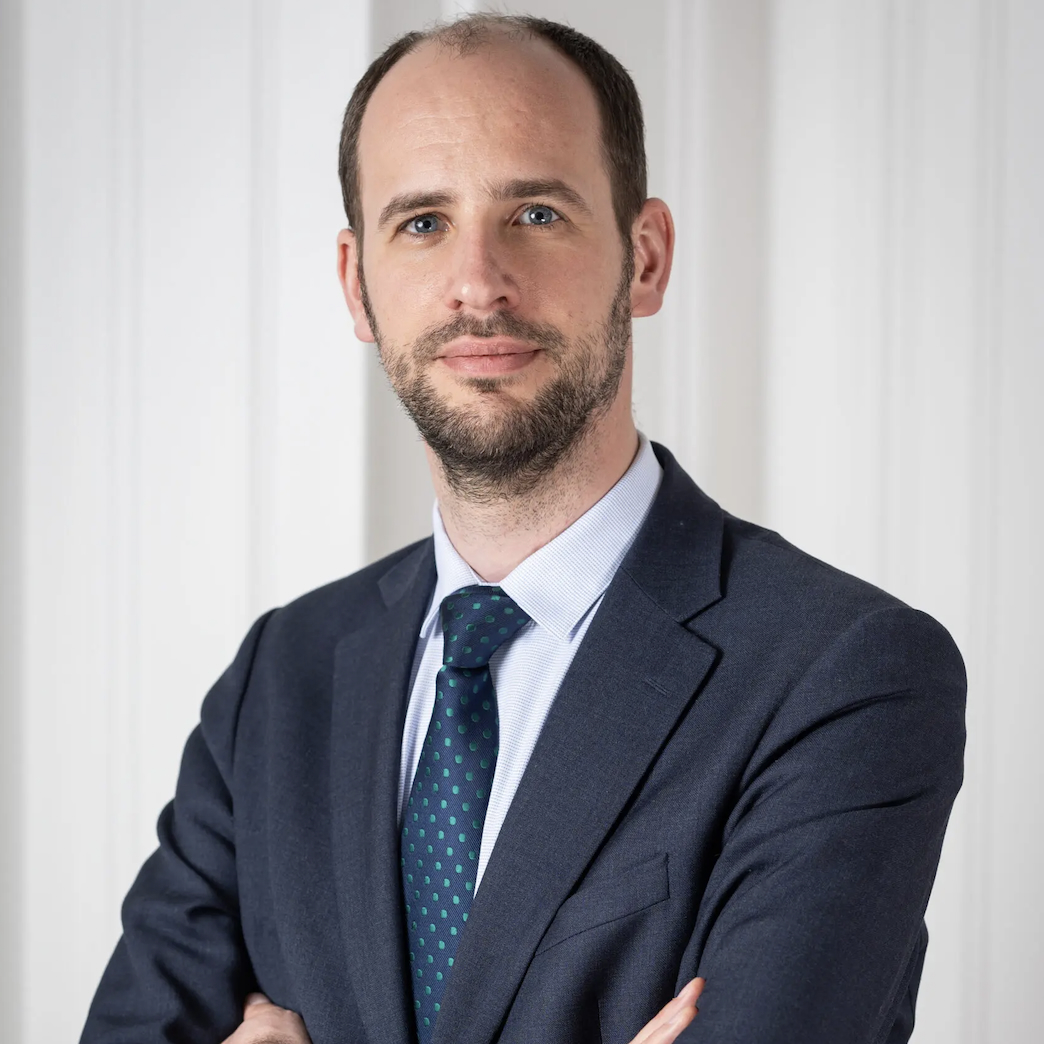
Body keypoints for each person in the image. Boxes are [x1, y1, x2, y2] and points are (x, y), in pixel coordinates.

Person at [80, 14, 966, 1044]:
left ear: (645, 257)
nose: (478, 282)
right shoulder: (279, 680)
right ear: (356, 284)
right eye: (422, 222)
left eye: (537, 213)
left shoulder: (844, 675)